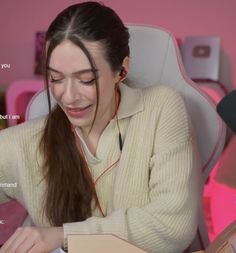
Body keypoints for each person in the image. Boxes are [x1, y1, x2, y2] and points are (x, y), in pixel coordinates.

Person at [0, 1, 202, 253]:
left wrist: (63, 236)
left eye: (86, 80)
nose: (68, 96)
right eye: (56, 78)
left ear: (122, 70)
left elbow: (172, 226)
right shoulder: (25, 143)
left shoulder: (160, 109)